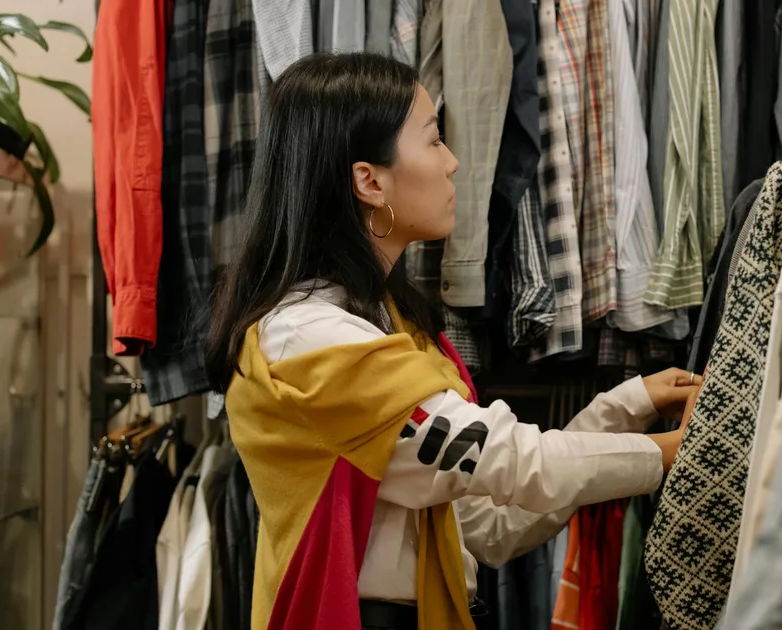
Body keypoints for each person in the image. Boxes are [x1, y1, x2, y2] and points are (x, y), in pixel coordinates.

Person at [206, 52, 701, 630]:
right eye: (434, 140)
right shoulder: (312, 340)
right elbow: (513, 462)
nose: (453, 162)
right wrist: (676, 451)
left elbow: (490, 526)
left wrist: (627, 407)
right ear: (369, 180)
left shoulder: (386, 325)